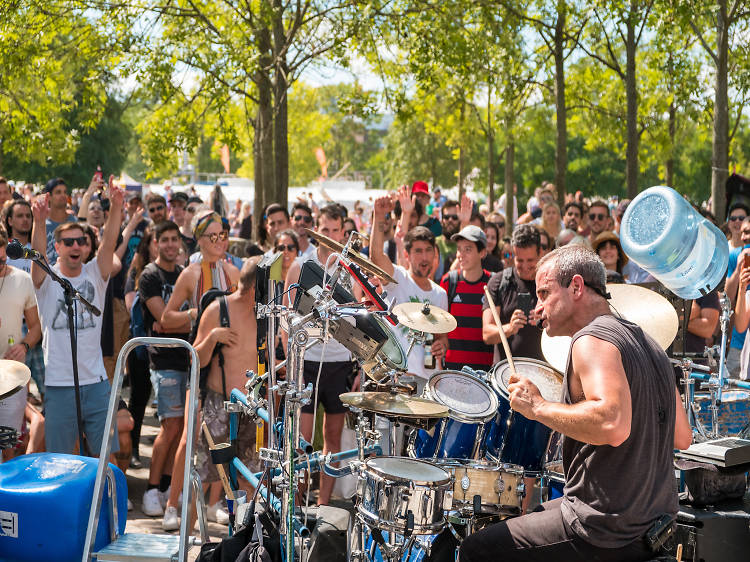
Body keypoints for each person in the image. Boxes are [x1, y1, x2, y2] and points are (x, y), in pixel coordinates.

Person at [460, 245, 692, 562]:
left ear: (577, 287)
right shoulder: (652, 345)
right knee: (538, 511)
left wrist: (538, 407)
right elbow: (683, 436)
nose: (538, 307)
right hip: (654, 525)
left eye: (544, 294)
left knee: (475, 550)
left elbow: (611, 423)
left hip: (603, 529)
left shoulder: (591, 339)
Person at [159, 210, 240, 529]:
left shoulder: (234, 271)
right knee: (189, 436)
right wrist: (197, 315)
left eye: (224, 235)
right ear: (199, 240)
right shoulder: (191, 274)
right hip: (200, 358)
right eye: (213, 236)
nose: (220, 242)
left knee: (223, 436)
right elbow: (167, 318)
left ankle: (213, 502)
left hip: (229, 361)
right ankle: (172, 504)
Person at [30, 178, 123, 456]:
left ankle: (107, 501)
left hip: (96, 383)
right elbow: (36, 256)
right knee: (61, 459)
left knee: (106, 458)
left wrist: (116, 206)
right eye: (68, 241)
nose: (75, 246)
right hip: (59, 386)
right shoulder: (46, 277)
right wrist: (39, 221)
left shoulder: (96, 272)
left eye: (80, 241)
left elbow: (108, 244)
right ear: (56, 247)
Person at [283, 204, 356, 506]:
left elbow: (359, 313)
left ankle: (323, 505)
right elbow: (287, 313)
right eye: (323, 229)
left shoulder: (349, 268)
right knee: (302, 442)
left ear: (343, 231)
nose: (328, 235)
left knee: (333, 440)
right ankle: (298, 505)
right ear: (315, 230)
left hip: (339, 363)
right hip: (307, 361)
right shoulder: (301, 264)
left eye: (334, 230)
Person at [193, 258, 261, 516]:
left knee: (250, 476)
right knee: (205, 473)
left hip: (253, 406)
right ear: (256, 288)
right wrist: (212, 338)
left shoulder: (264, 315)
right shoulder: (218, 309)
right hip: (219, 403)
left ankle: (243, 538)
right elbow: (195, 359)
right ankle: (189, 536)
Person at [138, 221, 192, 518]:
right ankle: (151, 487)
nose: (171, 244)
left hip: (189, 358)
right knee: (170, 426)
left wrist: (173, 320)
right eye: (165, 239)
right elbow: (162, 320)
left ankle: (169, 487)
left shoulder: (185, 273)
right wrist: (193, 315)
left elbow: (169, 321)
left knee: (182, 430)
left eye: (175, 239)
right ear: (156, 242)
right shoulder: (150, 275)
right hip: (164, 361)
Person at [369, 195, 448, 390]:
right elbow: (376, 256)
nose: (424, 257)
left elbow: (442, 339)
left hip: (427, 382)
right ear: (407, 255)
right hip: (396, 378)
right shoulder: (398, 279)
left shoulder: (440, 294)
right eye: (418, 251)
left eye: (428, 250)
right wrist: (379, 217)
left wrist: (442, 346)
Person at [0, 224, 42, 461]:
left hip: (11, 377)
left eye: (2, 259)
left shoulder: (23, 280)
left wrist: (24, 345)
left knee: (9, 446)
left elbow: (36, 327)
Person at [482, 224, 544, 363]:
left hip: (543, 374)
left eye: (530, 260)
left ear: (540, 252)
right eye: (519, 260)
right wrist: (509, 328)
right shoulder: (498, 282)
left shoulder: (551, 284)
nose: (526, 266)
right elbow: (487, 334)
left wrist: (547, 322)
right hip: (505, 376)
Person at [440, 225, 493, 372]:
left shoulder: (493, 283)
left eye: (467, 249)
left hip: (484, 373)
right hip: (452, 370)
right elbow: (440, 327)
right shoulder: (448, 281)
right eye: (459, 249)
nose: (460, 255)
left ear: (482, 253)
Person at [43, 177, 80, 264]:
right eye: (58, 192)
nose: (63, 195)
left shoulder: (74, 222)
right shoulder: (41, 225)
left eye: (65, 192)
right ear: (49, 197)